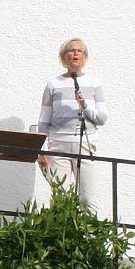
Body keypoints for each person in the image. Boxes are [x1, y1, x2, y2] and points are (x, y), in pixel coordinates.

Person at [36, 38, 108, 204]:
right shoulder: (53, 84)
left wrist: (85, 106)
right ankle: (61, 230)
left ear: (85, 57)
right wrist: (42, 150)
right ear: (63, 57)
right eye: (71, 50)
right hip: (58, 145)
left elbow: (102, 118)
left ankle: (85, 230)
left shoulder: (94, 83)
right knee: (60, 197)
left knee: (87, 199)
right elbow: (44, 120)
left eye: (79, 51)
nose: (75, 53)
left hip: (84, 145)